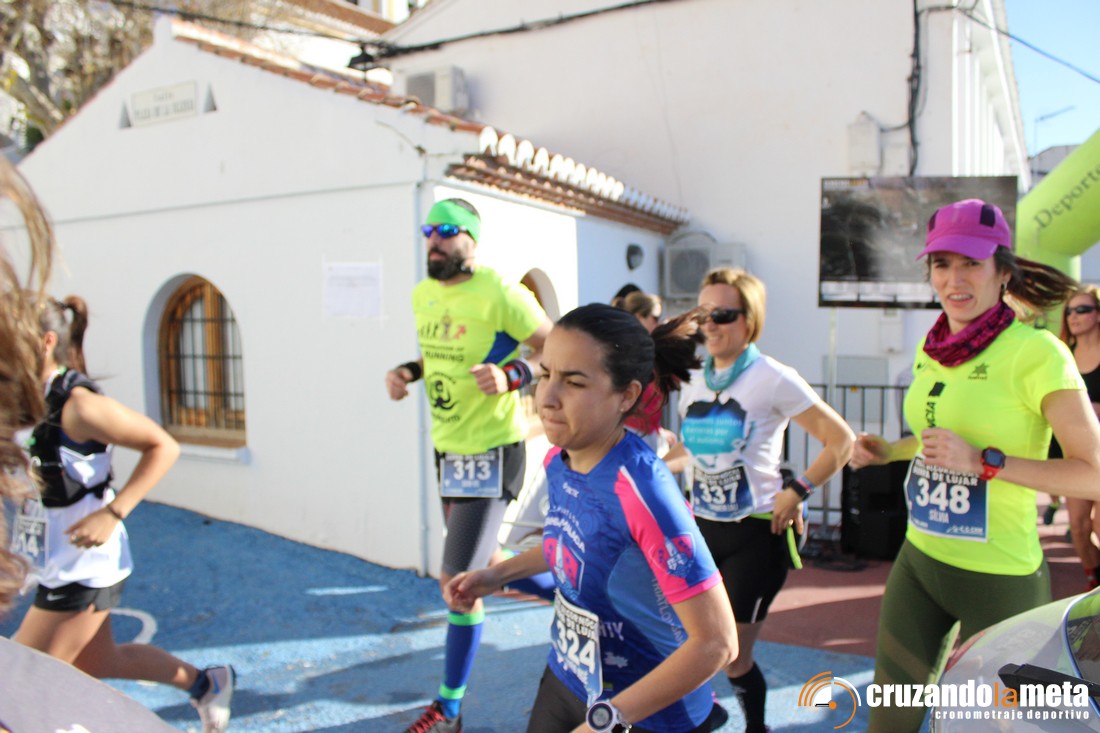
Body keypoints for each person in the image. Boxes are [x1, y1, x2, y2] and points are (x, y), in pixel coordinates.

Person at [848, 199, 1100, 732]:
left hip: (1001, 579)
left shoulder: (1036, 353)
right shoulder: (934, 344)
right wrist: (888, 452)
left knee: (992, 727)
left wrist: (985, 463)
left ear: (1003, 272)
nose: (954, 279)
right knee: (888, 723)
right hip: (920, 562)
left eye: (971, 263)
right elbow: (936, 441)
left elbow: (1093, 472)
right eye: (941, 264)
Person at [445, 303, 739, 733]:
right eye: (547, 374)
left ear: (627, 396)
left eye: (574, 382)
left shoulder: (645, 490)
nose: (546, 397)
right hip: (568, 678)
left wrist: (606, 720)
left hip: (646, 714)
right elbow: (572, 540)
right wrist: (496, 575)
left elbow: (717, 643)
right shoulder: (559, 458)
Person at [7, 296, 235, 733]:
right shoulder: (22, 397)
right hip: (51, 557)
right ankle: (207, 683)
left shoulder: (79, 407)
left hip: (86, 564)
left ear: (45, 342)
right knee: (101, 661)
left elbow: (163, 445)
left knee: (25, 680)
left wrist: (114, 512)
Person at [385, 198, 554, 733]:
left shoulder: (502, 292)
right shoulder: (423, 294)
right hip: (449, 450)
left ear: (471, 240)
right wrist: (407, 372)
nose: (434, 239)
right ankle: (586, 593)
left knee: (457, 580)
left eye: (447, 229)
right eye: (428, 230)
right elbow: (437, 357)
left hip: (493, 450)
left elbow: (555, 349)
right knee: (489, 563)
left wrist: (513, 376)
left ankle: (449, 710)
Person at [662, 266, 855, 733]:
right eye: (703, 314)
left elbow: (841, 441)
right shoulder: (694, 377)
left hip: (757, 534)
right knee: (689, 641)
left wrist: (798, 490)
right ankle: (701, 716)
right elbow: (691, 449)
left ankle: (755, 728)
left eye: (723, 315)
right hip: (701, 530)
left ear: (749, 320)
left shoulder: (773, 377)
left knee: (732, 655)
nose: (710, 325)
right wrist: (652, 470)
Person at [1054, 285, 1100, 590]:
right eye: (1069, 311)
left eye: (1082, 309)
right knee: (1079, 529)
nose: (1074, 316)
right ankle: (1094, 585)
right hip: (1076, 453)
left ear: (1098, 314)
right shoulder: (1062, 357)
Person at [613, 290, 678, 456]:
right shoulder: (621, 351)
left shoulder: (647, 350)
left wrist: (658, 430)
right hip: (625, 436)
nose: (659, 323)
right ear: (638, 317)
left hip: (644, 437)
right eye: (655, 318)